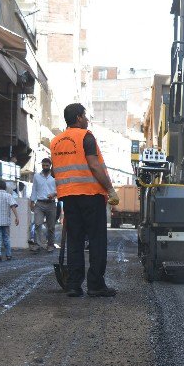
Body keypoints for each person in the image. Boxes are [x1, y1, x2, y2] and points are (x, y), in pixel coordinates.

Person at [50, 103, 119, 297]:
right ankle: (96, 284)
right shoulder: (85, 136)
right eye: (85, 116)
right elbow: (94, 166)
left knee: (75, 240)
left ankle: (73, 284)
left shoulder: (55, 142)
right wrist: (110, 189)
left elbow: (56, 171)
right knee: (97, 240)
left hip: (68, 196)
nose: (87, 120)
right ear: (79, 117)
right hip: (91, 194)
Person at [30, 157, 57, 252]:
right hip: (39, 204)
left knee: (51, 226)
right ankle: (37, 244)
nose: (45, 167)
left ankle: (50, 245)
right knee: (37, 224)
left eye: (47, 165)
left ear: (50, 166)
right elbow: (34, 189)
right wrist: (32, 202)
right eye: (43, 165)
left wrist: (54, 194)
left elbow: (60, 189)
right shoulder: (37, 176)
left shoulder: (55, 176)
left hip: (51, 204)